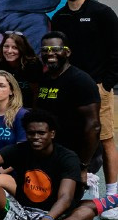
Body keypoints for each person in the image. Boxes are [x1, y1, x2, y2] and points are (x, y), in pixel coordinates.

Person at [51, 0, 118, 207]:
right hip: (69, 89)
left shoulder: (102, 13)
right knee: (70, 136)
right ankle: (77, 186)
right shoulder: (59, 18)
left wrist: (108, 83)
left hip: (98, 87)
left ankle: (112, 198)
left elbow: (115, 50)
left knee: (106, 138)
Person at [31, 32, 100, 170]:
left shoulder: (81, 81)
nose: (50, 53)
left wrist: (83, 165)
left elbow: (94, 126)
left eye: (55, 49)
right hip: (51, 154)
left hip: (76, 157)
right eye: (45, 50)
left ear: (67, 52)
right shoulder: (44, 79)